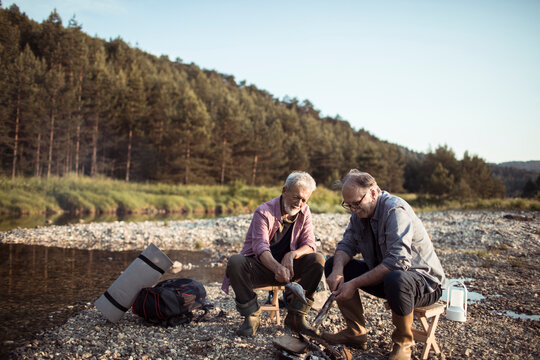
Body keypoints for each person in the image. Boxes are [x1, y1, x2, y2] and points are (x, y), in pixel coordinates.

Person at [324, 170, 445, 360]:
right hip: (387, 278)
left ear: (373, 192)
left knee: (396, 278)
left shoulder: (395, 211)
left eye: (356, 203)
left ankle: (403, 343)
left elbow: (397, 262)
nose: (353, 210)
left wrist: (354, 283)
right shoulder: (358, 214)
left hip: (424, 284)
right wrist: (338, 271)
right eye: (348, 205)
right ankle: (356, 333)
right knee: (333, 263)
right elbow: (346, 245)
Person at [222, 171, 325, 337]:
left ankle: (296, 316)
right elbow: (260, 247)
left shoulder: (305, 212)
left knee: (318, 259)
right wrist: (277, 268)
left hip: (289, 269)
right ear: (284, 190)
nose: (299, 203)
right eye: (296, 197)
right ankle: (252, 316)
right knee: (235, 262)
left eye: (304, 200)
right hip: (261, 267)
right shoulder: (263, 212)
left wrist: (292, 255)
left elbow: (310, 244)